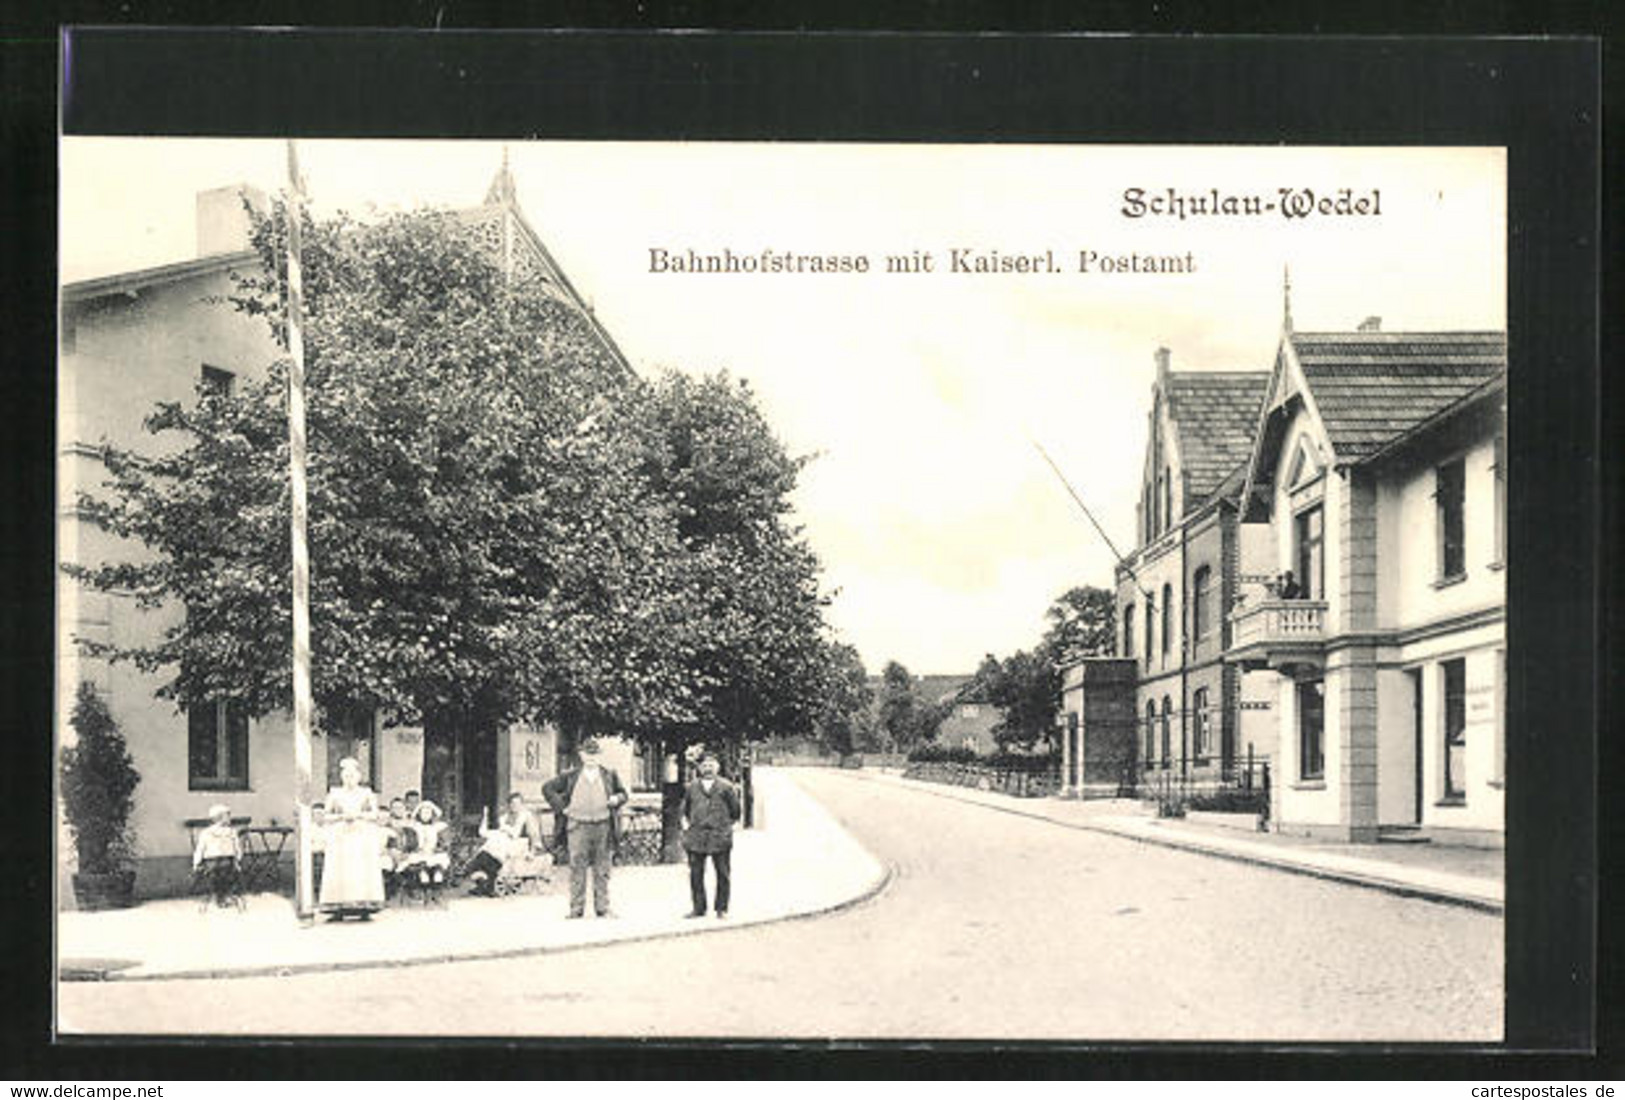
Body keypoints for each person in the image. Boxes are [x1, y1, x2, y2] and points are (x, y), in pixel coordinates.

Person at [542, 737, 628, 919]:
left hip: (603, 826)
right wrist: (561, 807)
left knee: (602, 868)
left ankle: (603, 908)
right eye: (587, 754)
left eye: (594, 754)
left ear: (599, 756)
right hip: (577, 826)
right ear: (581, 755)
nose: (591, 758)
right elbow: (547, 789)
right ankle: (576, 909)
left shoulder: (609, 775)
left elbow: (623, 794)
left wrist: (616, 799)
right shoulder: (570, 776)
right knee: (577, 867)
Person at [318, 757, 386, 920]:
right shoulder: (335, 793)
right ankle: (338, 908)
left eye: (353, 776)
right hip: (341, 836)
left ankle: (364, 908)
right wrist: (342, 816)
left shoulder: (366, 793)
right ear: (342, 777)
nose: (350, 779)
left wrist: (358, 815)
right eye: (346, 776)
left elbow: (375, 814)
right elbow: (325, 816)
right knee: (340, 871)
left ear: (359, 777)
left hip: (361, 836)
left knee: (360, 871)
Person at [680, 753, 742, 919]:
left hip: (719, 836)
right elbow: (685, 810)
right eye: (705, 765)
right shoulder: (691, 787)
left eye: (711, 765)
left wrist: (724, 826)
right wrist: (689, 827)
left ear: (717, 767)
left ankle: (721, 909)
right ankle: (698, 908)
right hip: (697, 837)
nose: (708, 768)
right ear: (700, 768)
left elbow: (736, 811)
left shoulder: (727, 787)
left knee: (722, 872)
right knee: (696, 874)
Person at [465, 792, 542, 897]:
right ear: (509, 805)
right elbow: (484, 832)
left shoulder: (525, 816)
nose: (514, 806)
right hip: (503, 842)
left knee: (495, 849)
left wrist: (532, 852)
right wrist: (486, 816)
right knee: (489, 847)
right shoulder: (504, 817)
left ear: (522, 804)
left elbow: (533, 835)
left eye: (517, 804)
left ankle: (486, 880)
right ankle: (481, 879)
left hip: (518, 844)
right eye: (512, 804)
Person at [191, 803, 242, 908]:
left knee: (225, 874)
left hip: (225, 861)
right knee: (220, 874)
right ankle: (220, 897)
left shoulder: (231, 832)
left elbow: (236, 847)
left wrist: (237, 859)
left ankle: (222, 896)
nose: (229, 818)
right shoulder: (208, 832)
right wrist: (197, 863)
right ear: (219, 818)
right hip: (214, 862)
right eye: (227, 815)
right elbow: (200, 848)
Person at [399, 799, 451, 900]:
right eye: (423, 812)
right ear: (419, 814)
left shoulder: (439, 827)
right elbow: (410, 843)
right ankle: (423, 890)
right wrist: (415, 848)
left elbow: (444, 843)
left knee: (438, 871)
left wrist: (437, 849)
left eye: (428, 812)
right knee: (422, 871)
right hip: (419, 853)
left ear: (432, 814)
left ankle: (436, 891)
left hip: (433, 853)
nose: (425, 815)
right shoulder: (414, 827)